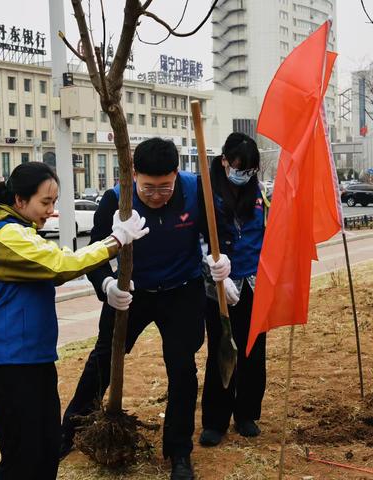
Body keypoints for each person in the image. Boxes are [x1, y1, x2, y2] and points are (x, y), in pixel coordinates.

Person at [0, 161, 149, 480]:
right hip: (6, 363)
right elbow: (62, 265)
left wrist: (111, 281)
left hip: (32, 359)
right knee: (22, 456)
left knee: (48, 448)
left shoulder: (21, 232)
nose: (51, 211)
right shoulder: (6, 234)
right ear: (20, 201)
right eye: (45, 202)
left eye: (54, 202)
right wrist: (114, 241)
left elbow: (55, 271)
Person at [61, 138, 230, 480]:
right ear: (134, 174)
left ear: (176, 174)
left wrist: (221, 261)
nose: (156, 195)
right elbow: (96, 252)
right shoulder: (114, 199)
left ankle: (179, 451)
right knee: (104, 360)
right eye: (148, 188)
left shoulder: (198, 191)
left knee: (182, 370)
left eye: (164, 187)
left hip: (181, 291)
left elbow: (218, 236)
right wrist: (107, 285)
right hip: (131, 292)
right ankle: (68, 432)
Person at [199, 132, 269, 448]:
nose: (244, 175)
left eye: (250, 170)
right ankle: (215, 420)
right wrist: (213, 266)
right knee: (222, 348)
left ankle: (246, 414)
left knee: (253, 350)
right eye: (239, 167)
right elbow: (200, 236)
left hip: (254, 283)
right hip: (219, 284)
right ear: (225, 161)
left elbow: (267, 234)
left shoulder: (260, 194)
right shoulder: (207, 191)